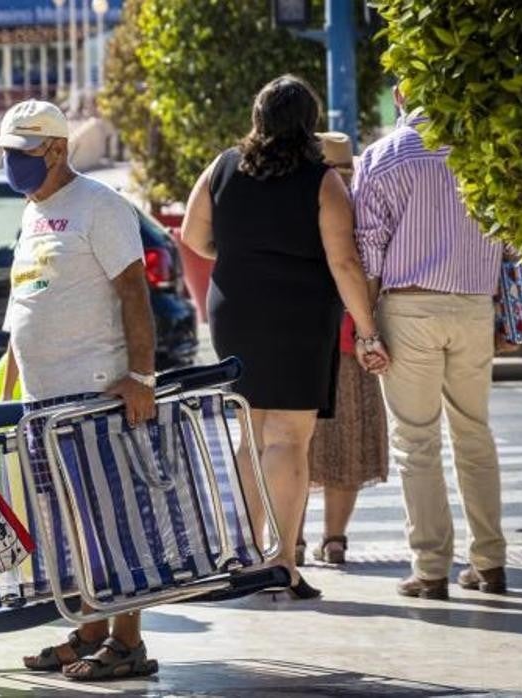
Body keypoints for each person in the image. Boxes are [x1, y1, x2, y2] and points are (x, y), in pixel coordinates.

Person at [181, 75, 389, 600]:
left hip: (236, 310)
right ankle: (282, 562)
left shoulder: (223, 166)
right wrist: (366, 329)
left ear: (258, 116)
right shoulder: (322, 180)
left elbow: (193, 235)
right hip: (299, 314)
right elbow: (343, 261)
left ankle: (245, 555)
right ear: (308, 122)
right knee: (289, 440)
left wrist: (240, 260)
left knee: (250, 438)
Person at [0, 100, 160, 681]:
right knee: (69, 525)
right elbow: (29, 300)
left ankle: (129, 641)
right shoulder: (34, 210)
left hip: (96, 396)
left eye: (20, 155)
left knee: (113, 521)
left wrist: (141, 377)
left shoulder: (101, 206)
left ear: (57, 150)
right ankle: (89, 633)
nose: (12, 166)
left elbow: (135, 294)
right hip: (44, 400)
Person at [354, 85, 507, 599]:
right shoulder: (485, 150)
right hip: (474, 305)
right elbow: (510, 241)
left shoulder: (382, 156)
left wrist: (367, 330)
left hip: (410, 307)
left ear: (399, 94)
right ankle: (490, 561)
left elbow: (369, 251)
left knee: (416, 441)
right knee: (475, 433)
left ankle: (430, 568)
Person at [301, 132, 390, 566]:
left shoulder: (299, 205)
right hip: (353, 342)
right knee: (347, 448)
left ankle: (291, 540)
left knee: (295, 446)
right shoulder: (362, 208)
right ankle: (334, 540)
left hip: (302, 342)